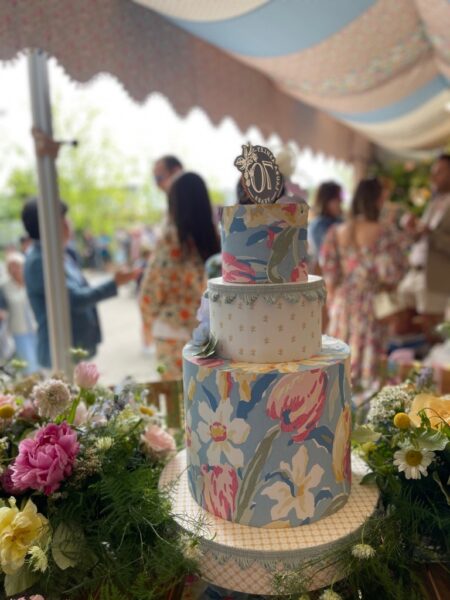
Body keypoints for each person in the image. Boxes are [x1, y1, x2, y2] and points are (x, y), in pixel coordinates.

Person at [21, 199, 139, 369]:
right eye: (63, 219)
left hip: (72, 348)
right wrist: (114, 282)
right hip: (60, 353)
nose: (69, 224)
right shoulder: (40, 261)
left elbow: (79, 289)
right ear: (50, 224)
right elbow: (74, 298)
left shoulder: (57, 254)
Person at [320, 178, 408, 388]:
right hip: (370, 304)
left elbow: (329, 273)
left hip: (342, 303)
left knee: (340, 362)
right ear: (377, 200)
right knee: (368, 367)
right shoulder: (383, 232)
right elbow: (392, 273)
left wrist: (333, 302)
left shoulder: (337, 231)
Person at [139, 172, 220, 379]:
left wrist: (148, 322)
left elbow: (152, 288)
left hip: (171, 332)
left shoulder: (170, 239)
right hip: (210, 334)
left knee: (178, 401)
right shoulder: (215, 240)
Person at [398, 154, 450, 338]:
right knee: (400, 323)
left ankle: (429, 367)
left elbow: (436, 237)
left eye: (440, 172)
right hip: (413, 272)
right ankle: (408, 363)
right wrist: (413, 229)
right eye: (433, 172)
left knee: (433, 333)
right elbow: (422, 236)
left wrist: (430, 232)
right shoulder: (434, 202)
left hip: (436, 277)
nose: (433, 177)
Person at [0, 252, 39, 373]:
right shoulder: (4, 286)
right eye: (11, 266)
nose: (14, 269)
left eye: (17, 265)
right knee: (29, 366)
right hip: (19, 332)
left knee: (42, 363)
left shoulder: (32, 280)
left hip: (36, 327)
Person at [308, 181, 343, 269]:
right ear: (327, 201)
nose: (341, 201)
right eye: (338, 199)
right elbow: (326, 255)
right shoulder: (319, 225)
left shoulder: (338, 221)